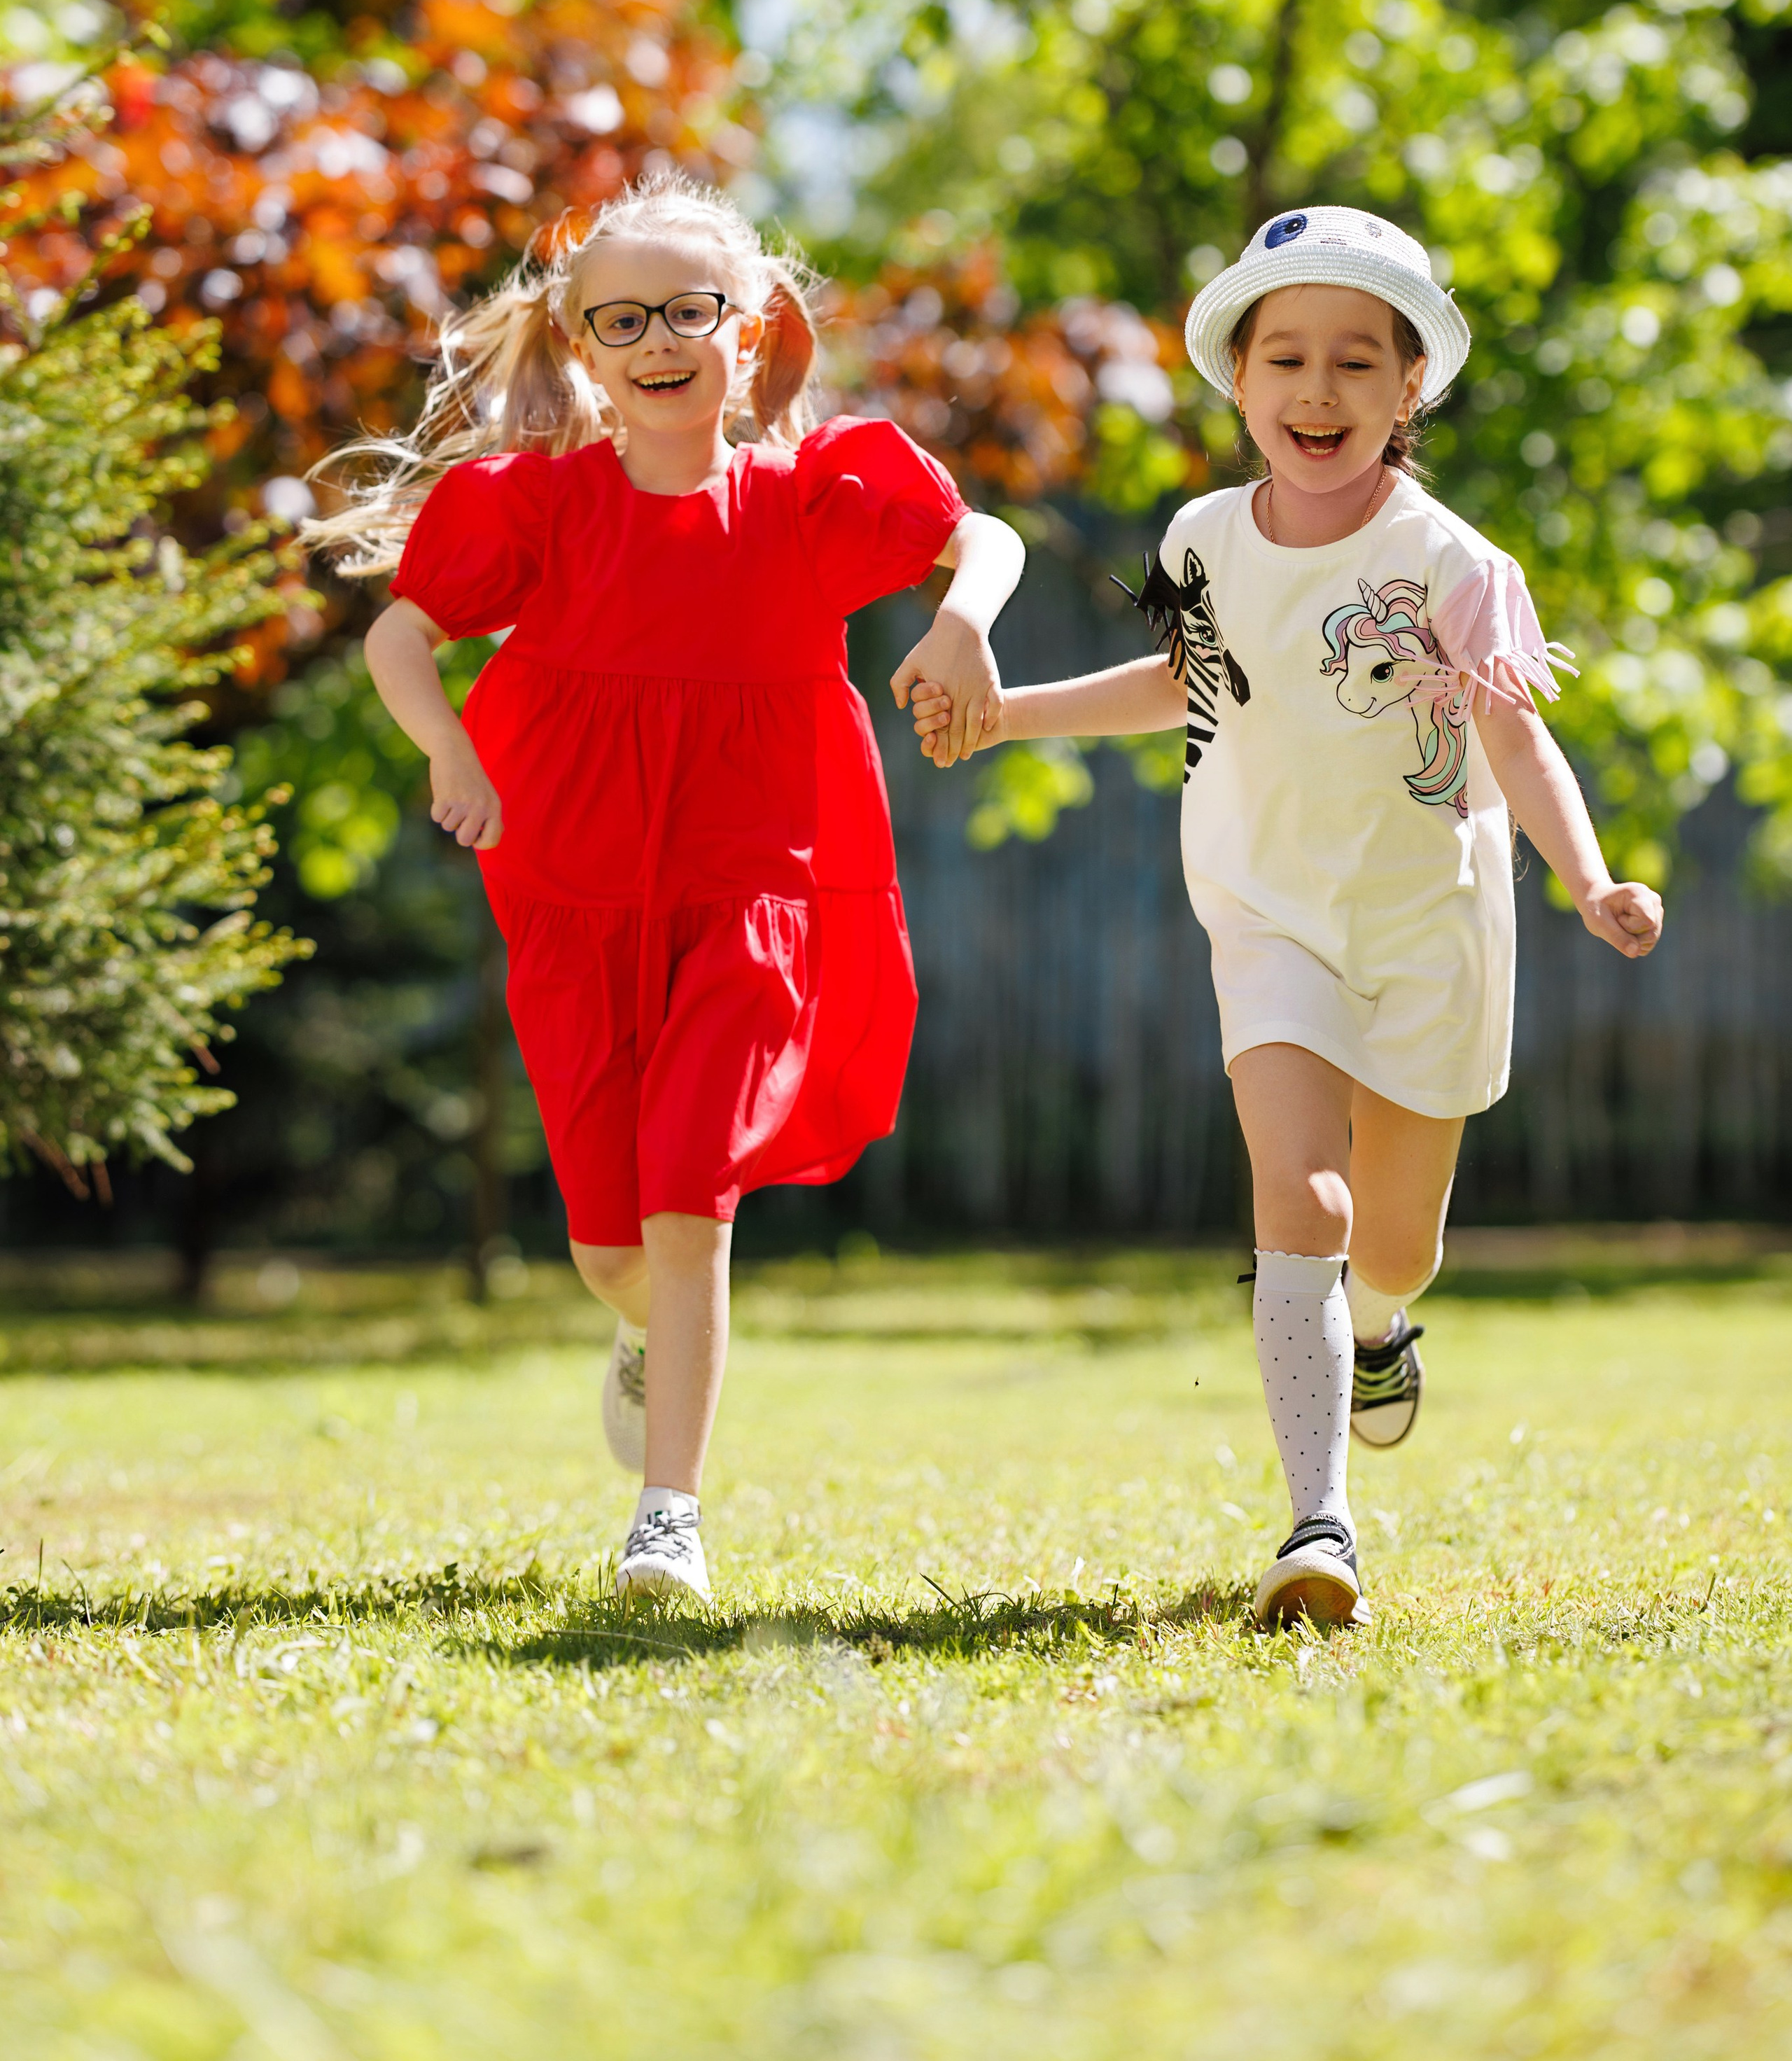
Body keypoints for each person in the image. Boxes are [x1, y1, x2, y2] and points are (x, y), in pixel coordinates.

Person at [910, 205, 1662, 1630]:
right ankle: (1317, 1522)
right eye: (1287, 360)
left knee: (1389, 1245)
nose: (1317, 391)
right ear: (1238, 381)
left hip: (1428, 930)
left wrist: (1584, 875)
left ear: (1407, 388)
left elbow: (1515, 742)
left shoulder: (1453, 562)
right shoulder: (1200, 534)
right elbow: (1182, 687)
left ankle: (1378, 1331)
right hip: (1264, 915)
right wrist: (1008, 716)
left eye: (1354, 363)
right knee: (1297, 1199)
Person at [307, 173, 1023, 1609]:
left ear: (744, 328)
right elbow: (401, 637)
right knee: (607, 1243)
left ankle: (668, 1517)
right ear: (581, 346)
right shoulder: (533, 506)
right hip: (571, 883)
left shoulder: (812, 498)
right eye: (620, 317)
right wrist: (447, 745)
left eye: (685, 312)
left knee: (694, 1194)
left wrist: (958, 628)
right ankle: (640, 1336)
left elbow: (983, 539)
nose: (655, 340)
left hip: (756, 888)